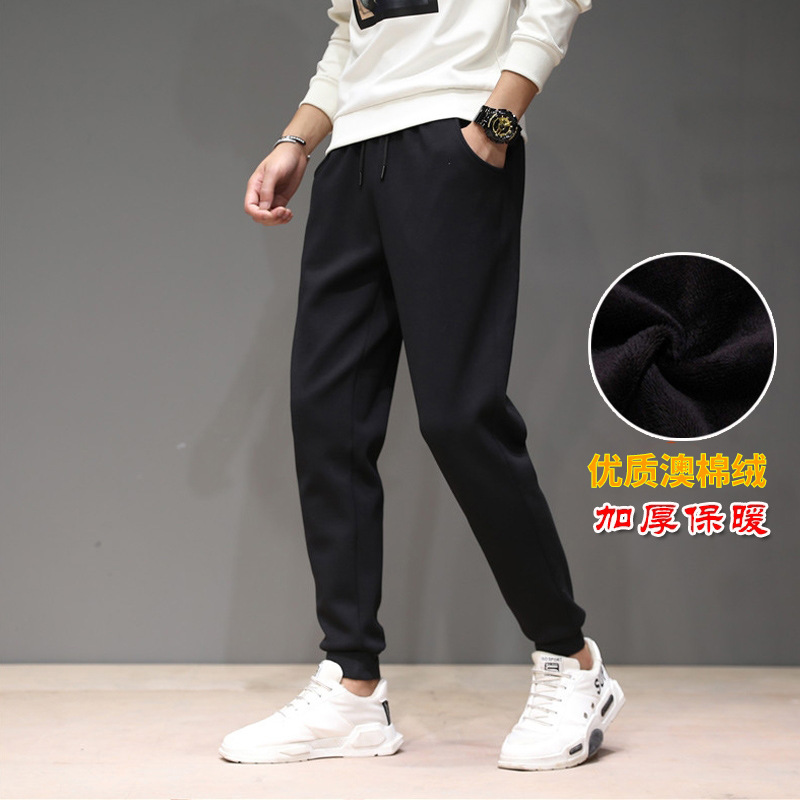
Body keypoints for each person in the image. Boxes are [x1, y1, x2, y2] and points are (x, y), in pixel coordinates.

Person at [219, 0, 624, 771]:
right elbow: (355, 34)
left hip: (452, 140)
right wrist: (297, 139)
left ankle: (573, 664)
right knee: (327, 418)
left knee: (460, 416)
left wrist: (496, 122)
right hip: (350, 160)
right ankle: (352, 688)